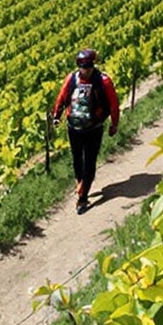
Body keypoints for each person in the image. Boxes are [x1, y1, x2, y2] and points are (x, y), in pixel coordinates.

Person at [52, 48, 119, 210]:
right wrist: (114, 123)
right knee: (83, 159)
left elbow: (61, 97)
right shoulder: (103, 81)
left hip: (79, 126)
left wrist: (57, 115)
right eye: (83, 67)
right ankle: (81, 189)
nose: (85, 70)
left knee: (83, 159)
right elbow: (113, 104)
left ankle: (82, 194)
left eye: (86, 67)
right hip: (88, 127)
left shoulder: (73, 78)